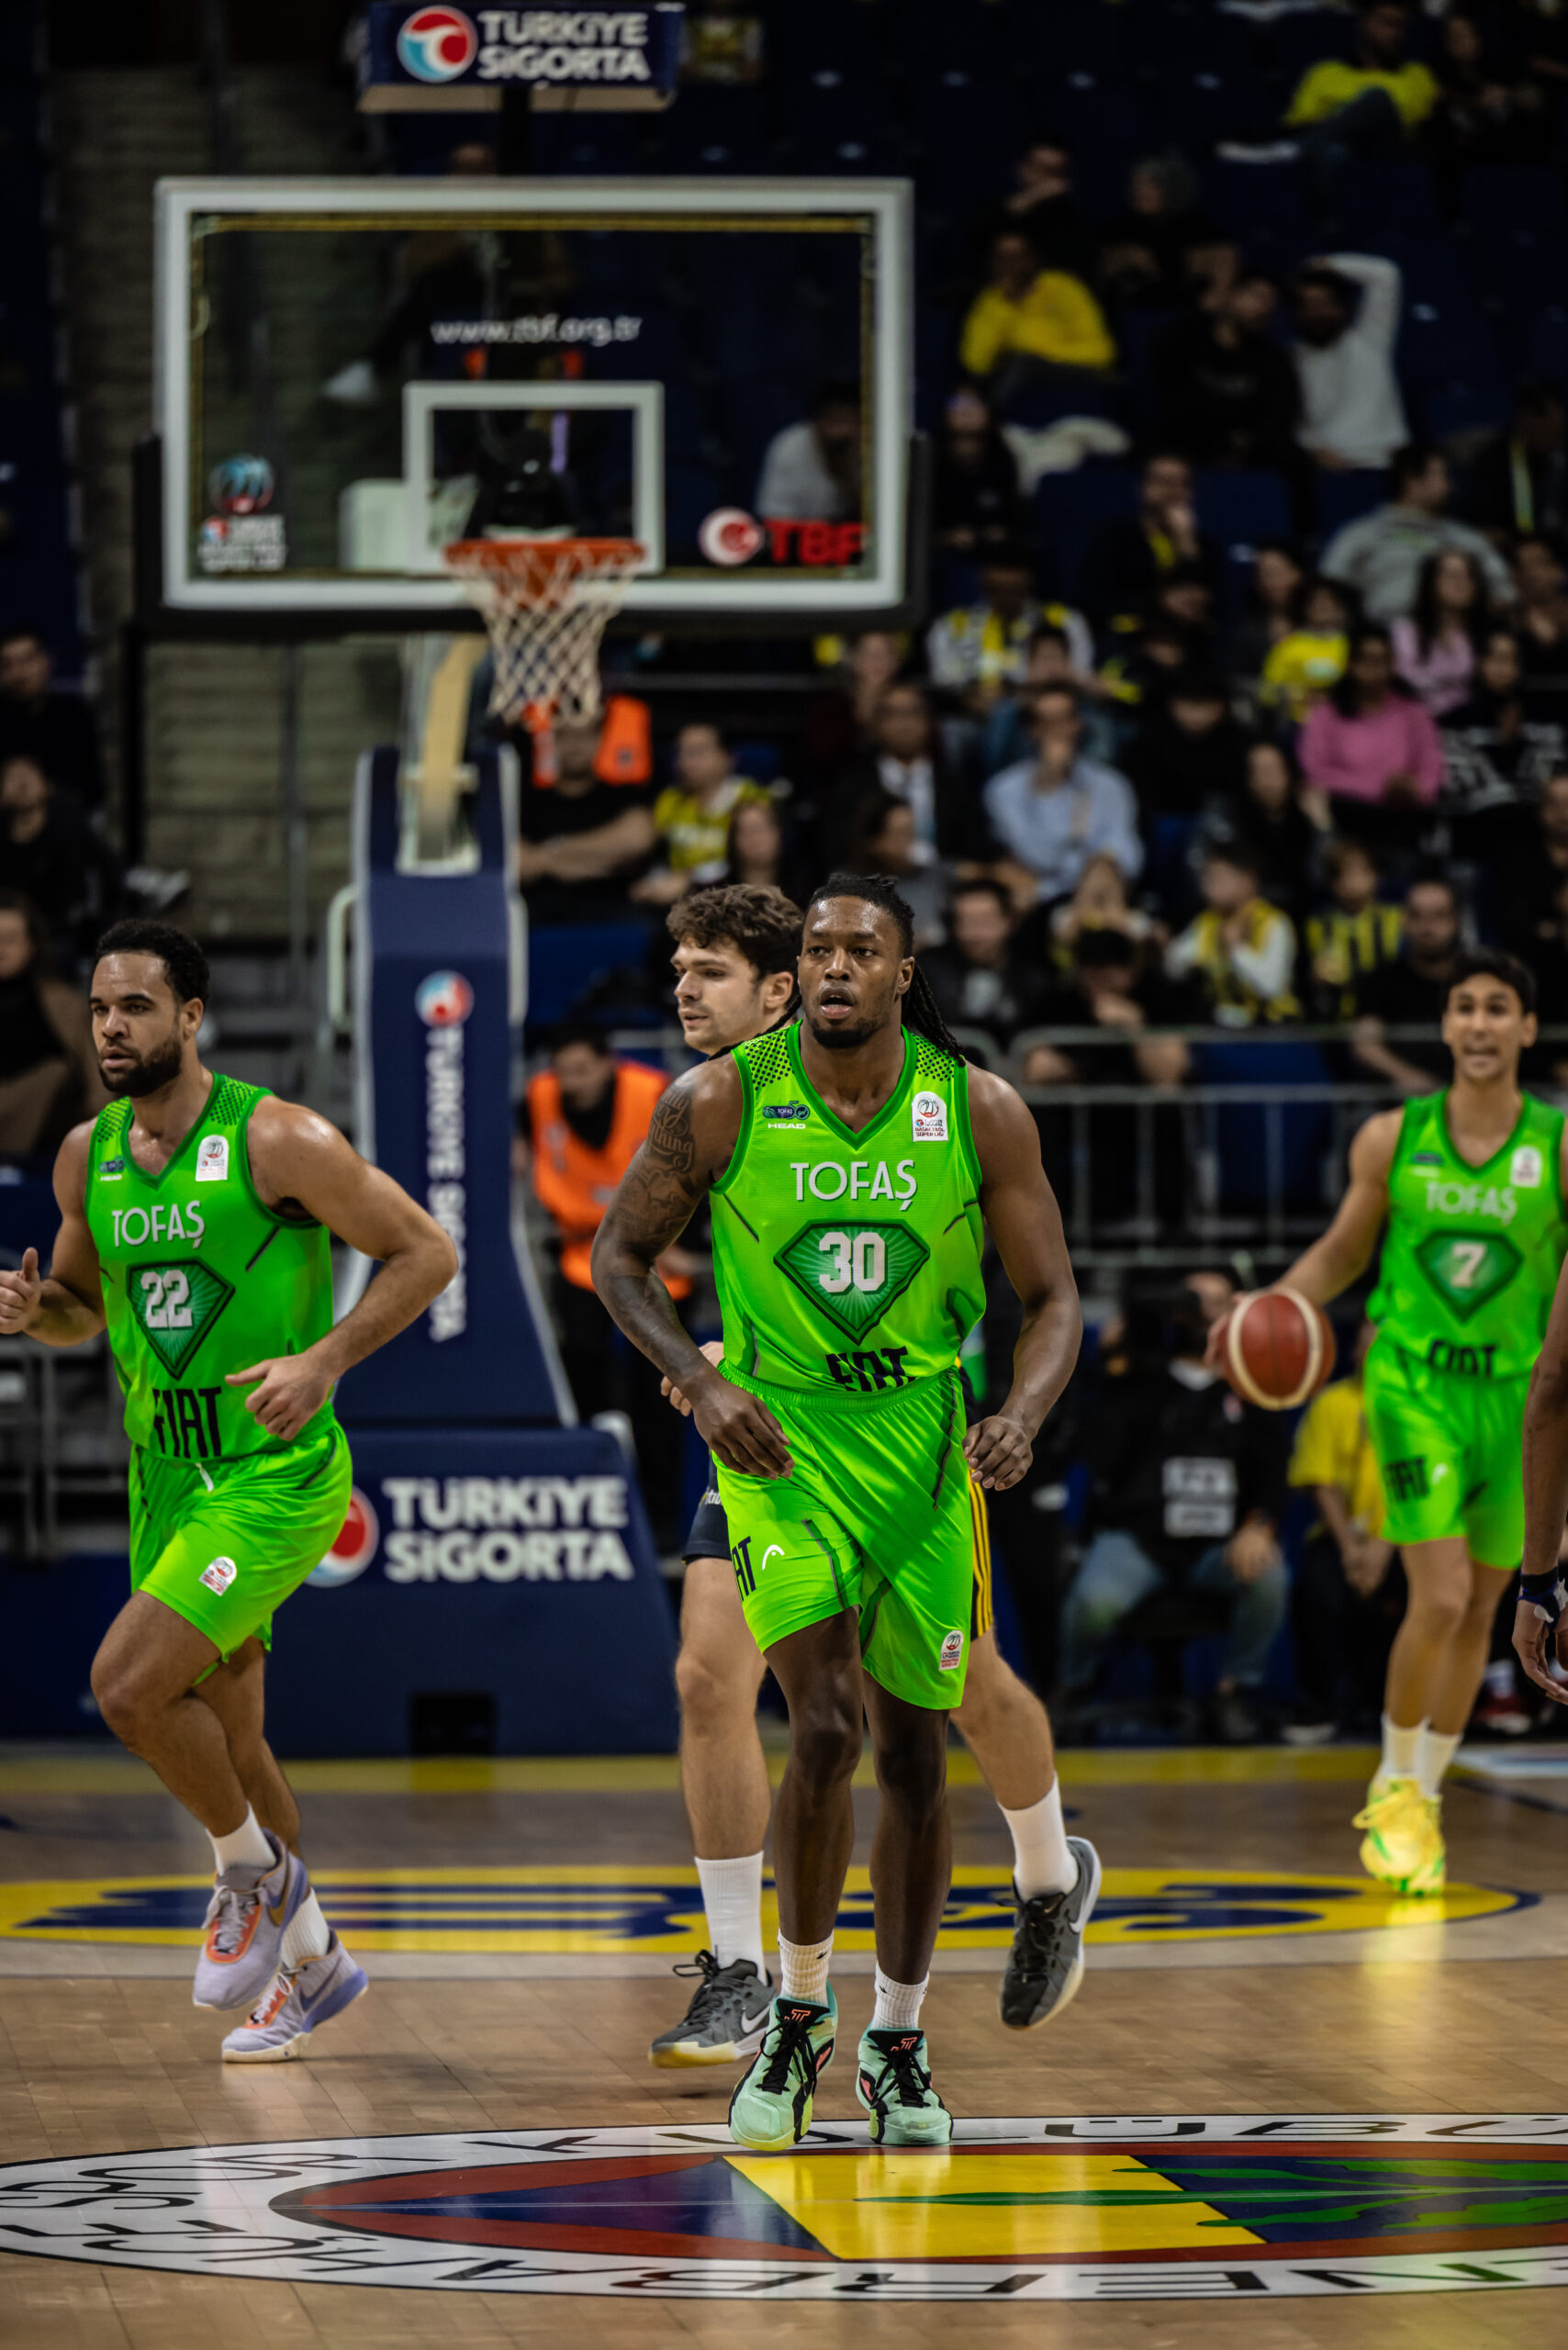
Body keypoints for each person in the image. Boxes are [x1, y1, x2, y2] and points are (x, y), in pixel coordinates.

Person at [591, 874, 1085, 2149]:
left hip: (922, 1451)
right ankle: (794, 2013)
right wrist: (704, 1382)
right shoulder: (720, 1100)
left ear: (903, 971)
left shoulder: (975, 1109)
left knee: (921, 1750)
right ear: (795, 971)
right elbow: (615, 1258)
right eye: (817, 949)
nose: (834, 967)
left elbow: (1053, 1300)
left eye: (861, 950)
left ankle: (900, 2038)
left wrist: (1022, 1412)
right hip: (781, 1448)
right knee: (818, 1723)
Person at [0, 920, 457, 2056]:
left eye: (136, 1007)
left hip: (269, 1471)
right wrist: (33, 1311)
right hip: (165, 1470)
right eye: (100, 1008)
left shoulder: (277, 1137)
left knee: (126, 1688)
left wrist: (324, 1360)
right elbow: (81, 1310)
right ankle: (314, 1966)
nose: (112, 1027)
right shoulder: (86, 1155)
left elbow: (426, 1251)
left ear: (191, 1016)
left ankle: (250, 1875)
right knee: (234, 1740)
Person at [1239, 949, 1564, 1893]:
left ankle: (1420, 1793)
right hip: (1412, 1384)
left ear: (1526, 1029)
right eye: (1463, 1007)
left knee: (1482, 1608)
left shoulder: (1557, 1145)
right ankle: (1392, 1786)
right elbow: (1343, 1252)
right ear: (1445, 1025)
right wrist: (1268, 1308)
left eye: (1497, 1008)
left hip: (1515, 1400)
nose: (1478, 1023)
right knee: (1443, 1594)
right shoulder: (1393, 1137)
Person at [1062, 1270, 1290, 1744]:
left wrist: (1259, 1525)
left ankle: (1234, 1690)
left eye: (1218, 1302)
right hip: (1142, 1542)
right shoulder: (1140, 1382)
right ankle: (1073, 1686)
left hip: (1219, 1547)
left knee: (1270, 1578)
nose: (1206, 1314)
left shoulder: (1251, 1390)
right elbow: (1096, 1451)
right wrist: (1109, 1364)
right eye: (1194, 1302)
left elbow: (1273, 1475)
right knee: (1093, 1602)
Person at [526, 1023, 694, 1546]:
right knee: (583, 1379)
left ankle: (663, 1526)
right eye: (563, 1071)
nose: (572, 1082)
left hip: (653, 1257)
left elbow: (696, 1168)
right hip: (581, 1258)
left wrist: (689, 1244)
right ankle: (595, 1503)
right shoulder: (538, 1098)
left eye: (582, 1070)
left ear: (608, 1062)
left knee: (662, 1392)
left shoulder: (655, 1093)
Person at [1286, 1320, 1402, 1740]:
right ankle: (1320, 1703)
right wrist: (1353, 1551)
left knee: (1427, 1590)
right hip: (1341, 1540)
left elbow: (1426, 1483)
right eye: (1368, 1346)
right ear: (1354, 1353)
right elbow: (1321, 1482)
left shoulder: (1424, 1406)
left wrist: (1383, 1546)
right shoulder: (1332, 1403)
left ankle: (1395, 1706)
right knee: (1318, 1587)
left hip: (1407, 1538)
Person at [983, 685, 1144, 908]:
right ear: (1032, 730)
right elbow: (1038, 856)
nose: (1058, 731)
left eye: (1065, 720)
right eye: (1048, 722)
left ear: (1078, 723)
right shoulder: (1004, 789)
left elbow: (1127, 853)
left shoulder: (1111, 784)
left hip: (1100, 895)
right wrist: (1048, 785)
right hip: (1039, 903)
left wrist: (1095, 872)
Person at [1322, 446, 1514, 623]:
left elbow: (1506, 593)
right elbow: (1327, 587)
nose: (1450, 487)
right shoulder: (1360, 535)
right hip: (1382, 636)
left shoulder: (1467, 539)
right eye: (1442, 476)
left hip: (1453, 639)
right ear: (1412, 480)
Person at [1296, 623, 1445, 850]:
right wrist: (1379, 787)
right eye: (1366, 660)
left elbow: (1432, 769)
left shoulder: (1413, 712)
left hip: (1402, 815)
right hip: (1345, 813)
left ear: (1393, 664)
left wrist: (1415, 789)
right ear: (1350, 664)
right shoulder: (1326, 714)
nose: (1375, 669)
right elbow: (1315, 770)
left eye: (1382, 660)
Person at [1284, 1, 1438, 217]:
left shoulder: (1417, 75)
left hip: (1391, 157)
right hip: (1337, 157)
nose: (1395, 33)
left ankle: (1296, 151)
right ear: (1365, 24)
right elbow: (1299, 123)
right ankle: (1332, 223)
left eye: (1400, 26)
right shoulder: (1325, 72)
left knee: (1378, 99)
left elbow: (1422, 129)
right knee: (1331, 152)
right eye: (1387, 23)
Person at [1153, 267, 1300, 472]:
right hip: (1189, 447)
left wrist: (1248, 440)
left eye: (1271, 302)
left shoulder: (1273, 360)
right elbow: (1171, 401)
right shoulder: (1184, 342)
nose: (1265, 308)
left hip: (1249, 455)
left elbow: (1280, 415)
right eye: (1258, 297)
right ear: (1231, 295)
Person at [515, 716, 655, 923]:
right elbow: (518, 864)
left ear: (600, 739)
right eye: (566, 736)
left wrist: (551, 852)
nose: (575, 746)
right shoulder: (529, 799)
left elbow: (636, 841)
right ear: (553, 741)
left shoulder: (622, 794)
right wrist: (603, 859)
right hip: (541, 917)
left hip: (613, 912)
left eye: (584, 736)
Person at [958, 230, 1115, 414]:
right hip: (1017, 374)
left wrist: (1036, 348)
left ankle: (993, 417)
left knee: (1022, 362)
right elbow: (975, 364)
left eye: (1017, 256)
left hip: (1074, 370)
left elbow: (1102, 352)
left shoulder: (1063, 288)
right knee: (976, 386)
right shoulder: (990, 300)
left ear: (1033, 259)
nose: (1010, 264)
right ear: (992, 263)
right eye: (1001, 257)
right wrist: (1003, 305)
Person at [0, 890, 106, 1155]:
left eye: (10, 939)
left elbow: (97, 1078)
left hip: (47, 1132)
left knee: (55, 1072)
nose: (1, 949)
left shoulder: (64, 1004)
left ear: (32, 944)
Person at [1442, 629, 1566, 854]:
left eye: (1510, 660)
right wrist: (1505, 747)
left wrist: (1514, 745)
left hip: (1537, 838)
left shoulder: (1547, 718)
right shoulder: (1457, 721)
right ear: (1480, 663)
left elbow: (1553, 782)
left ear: (1521, 667)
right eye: (1494, 658)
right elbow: (1459, 788)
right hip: (1476, 835)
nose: (1501, 668)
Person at [1291, 253, 1407, 475]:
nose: (1317, 314)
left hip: (1388, 465)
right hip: (1330, 471)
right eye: (1309, 306)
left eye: (1325, 304)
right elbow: (1288, 422)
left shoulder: (1370, 340)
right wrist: (1312, 450)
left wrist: (1326, 265)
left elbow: (1386, 275)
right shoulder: (1290, 359)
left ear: (1342, 307)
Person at [633, 723, 771, 907]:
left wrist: (691, 879)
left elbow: (759, 860)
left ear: (727, 757)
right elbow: (657, 856)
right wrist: (654, 882)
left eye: (697, 752)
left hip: (735, 898)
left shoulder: (752, 799)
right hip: (680, 902)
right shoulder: (670, 799)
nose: (685, 762)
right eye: (680, 752)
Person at [0, 754, 119, 964]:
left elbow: (105, 878)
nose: (22, 784)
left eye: (29, 775)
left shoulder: (72, 832)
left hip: (63, 936)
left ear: (47, 786)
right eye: (13, 777)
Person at [1079, 453, 1217, 632]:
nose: (1173, 493)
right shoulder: (1114, 536)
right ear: (1143, 487)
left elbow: (1212, 602)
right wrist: (1159, 604)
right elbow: (1092, 596)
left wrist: (1186, 544)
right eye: (1164, 482)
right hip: (1130, 633)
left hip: (1187, 637)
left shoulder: (1204, 544)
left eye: (1181, 484)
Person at [1166, 843, 1300, 1027]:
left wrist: (1237, 950)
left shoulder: (1273, 922)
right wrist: (1166, 949)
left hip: (1271, 1028)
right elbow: (1173, 969)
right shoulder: (1207, 922)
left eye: (1219, 878)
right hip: (1222, 1026)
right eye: (1207, 878)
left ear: (1248, 880)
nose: (1208, 887)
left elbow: (1272, 987)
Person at [1350, 872, 1462, 1092]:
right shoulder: (1380, 980)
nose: (1427, 927)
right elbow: (1365, 1045)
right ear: (1404, 922)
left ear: (1455, 922)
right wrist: (1408, 1077)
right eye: (1417, 916)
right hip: (1403, 1100)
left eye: (1438, 916)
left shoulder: (1476, 980)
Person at [1099, 152, 1228, 311]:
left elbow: (1221, 263)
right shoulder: (1118, 229)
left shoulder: (1199, 228)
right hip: (1131, 309)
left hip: (1191, 310)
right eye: (1136, 184)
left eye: (1150, 184)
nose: (1139, 191)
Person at [922, 879, 1036, 1055]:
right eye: (964, 922)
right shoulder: (927, 970)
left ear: (1009, 921)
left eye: (984, 922)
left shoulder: (1033, 975)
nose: (973, 934)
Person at [1125, 669, 1250, 822]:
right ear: (1172, 703)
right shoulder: (1151, 740)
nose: (1196, 714)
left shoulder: (1239, 742)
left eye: (1205, 704)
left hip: (1224, 819)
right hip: (1163, 819)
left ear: (1222, 706)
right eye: (1189, 703)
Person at [0, 628, 104, 809]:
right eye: (7, 664)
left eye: (27, 660)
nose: (19, 672)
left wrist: (45, 790)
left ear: (46, 662)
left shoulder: (73, 717)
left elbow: (92, 788)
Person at [1306, 837, 1403, 1020]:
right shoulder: (1319, 925)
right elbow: (1318, 975)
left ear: (1375, 876)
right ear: (1332, 883)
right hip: (1339, 1016)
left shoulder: (1397, 918)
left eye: (1359, 871)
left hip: (1389, 1015)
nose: (1350, 881)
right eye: (1341, 874)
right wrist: (1318, 978)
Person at [981, 136, 1100, 284]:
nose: (1045, 179)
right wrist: (1031, 199)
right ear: (1022, 168)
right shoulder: (996, 210)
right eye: (1039, 168)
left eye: (1054, 172)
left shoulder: (1073, 221)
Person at [1463, 383, 1567, 543]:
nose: (1553, 430)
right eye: (1545, 422)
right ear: (1525, 420)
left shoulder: (1559, 457)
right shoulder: (1496, 461)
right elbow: (1490, 527)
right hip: (1516, 546)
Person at [1392, 550, 1490, 717]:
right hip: (1412, 723)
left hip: (1470, 724)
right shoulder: (1403, 633)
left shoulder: (1487, 635)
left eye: (1470, 576)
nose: (1462, 583)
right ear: (1430, 584)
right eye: (1452, 576)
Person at [932, 387, 1024, 557]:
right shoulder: (930, 460)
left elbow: (1013, 521)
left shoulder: (1002, 458)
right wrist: (947, 538)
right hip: (941, 557)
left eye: (975, 404)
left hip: (991, 554)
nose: (966, 411)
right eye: (956, 404)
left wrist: (997, 534)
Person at [756, 383, 861, 523]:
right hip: (803, 530)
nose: (843, 430)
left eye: (851, 421)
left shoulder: (866, 445)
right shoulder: (791, 444)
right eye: (837, 420)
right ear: (818, 420)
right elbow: (775, 515)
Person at [1513, 532, 1568, 683]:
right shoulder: (1507, 617)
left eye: (1539, 563)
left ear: (1557, 571)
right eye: (1523, 566)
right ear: (1514, 575)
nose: (1531, 573)